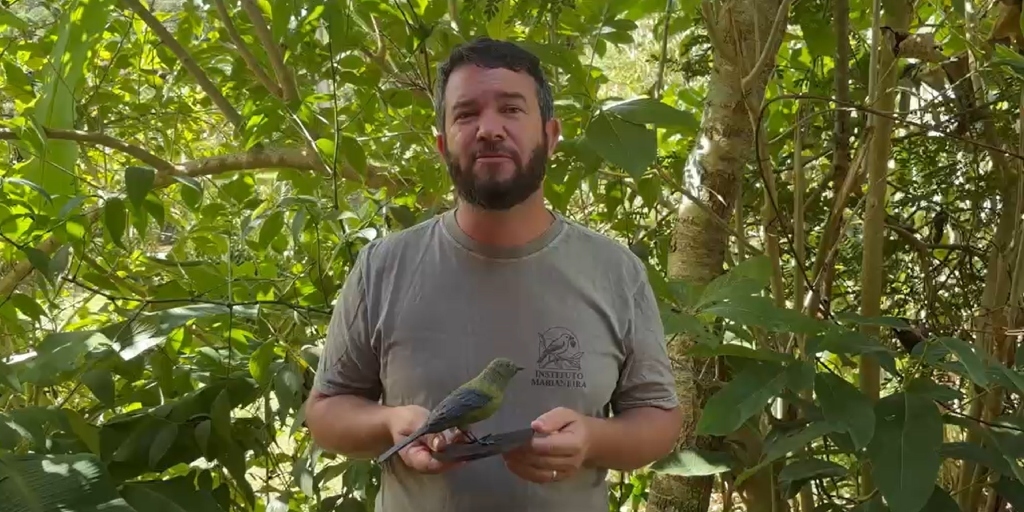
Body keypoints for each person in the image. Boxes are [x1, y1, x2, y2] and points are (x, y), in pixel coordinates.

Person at [304, 37, 683, 511]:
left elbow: (659, 419)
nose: (489, 129)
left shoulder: (615, 271)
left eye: (510, 109)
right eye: (466, 114)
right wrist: (391, 423)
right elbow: (325, 413)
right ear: (442, 144)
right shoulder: (383, 267)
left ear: (551, 134)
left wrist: (592, 438)